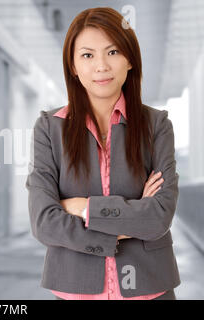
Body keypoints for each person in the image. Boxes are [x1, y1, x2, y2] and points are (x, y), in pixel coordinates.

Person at [26, 7, 180, 300]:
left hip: (149, 289)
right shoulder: (49, 128)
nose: (101, 66)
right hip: (75, 291)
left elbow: (158, 217)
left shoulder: (156, 125)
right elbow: (44, 221)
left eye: (112, 52)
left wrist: (83, 208)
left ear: (130, 60)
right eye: (87, 55)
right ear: (72, 66)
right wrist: (129, 222)